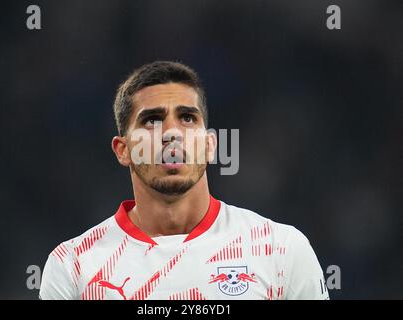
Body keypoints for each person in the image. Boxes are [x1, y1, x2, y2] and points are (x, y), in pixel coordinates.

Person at [39, 61, 329, 300]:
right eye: (151, 120)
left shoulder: (281, 250)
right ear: (123, 150)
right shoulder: (73, 266)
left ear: (209, 145)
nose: (171, 133)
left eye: (188, 118)